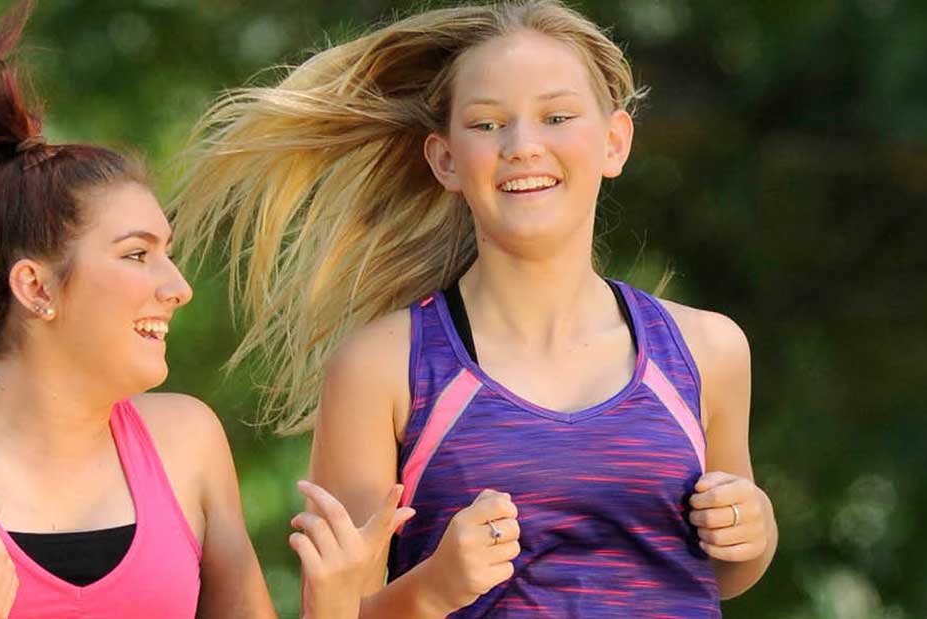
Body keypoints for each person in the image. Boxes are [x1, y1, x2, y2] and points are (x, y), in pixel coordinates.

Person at [0, 2, 400, 616]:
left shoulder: (188, 446)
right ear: (37, 287)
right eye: (137, 255)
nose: (177, 286)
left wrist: (339, 602)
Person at [171, 1, 775, 616]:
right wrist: (436, 586)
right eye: (487, 125)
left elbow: (723, 567)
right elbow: (333, 610)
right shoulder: (382, 366)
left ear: (615, 142)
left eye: (557, 116)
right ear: (446, 160)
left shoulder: (708, 349)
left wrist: (753, 534)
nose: (523, 145)